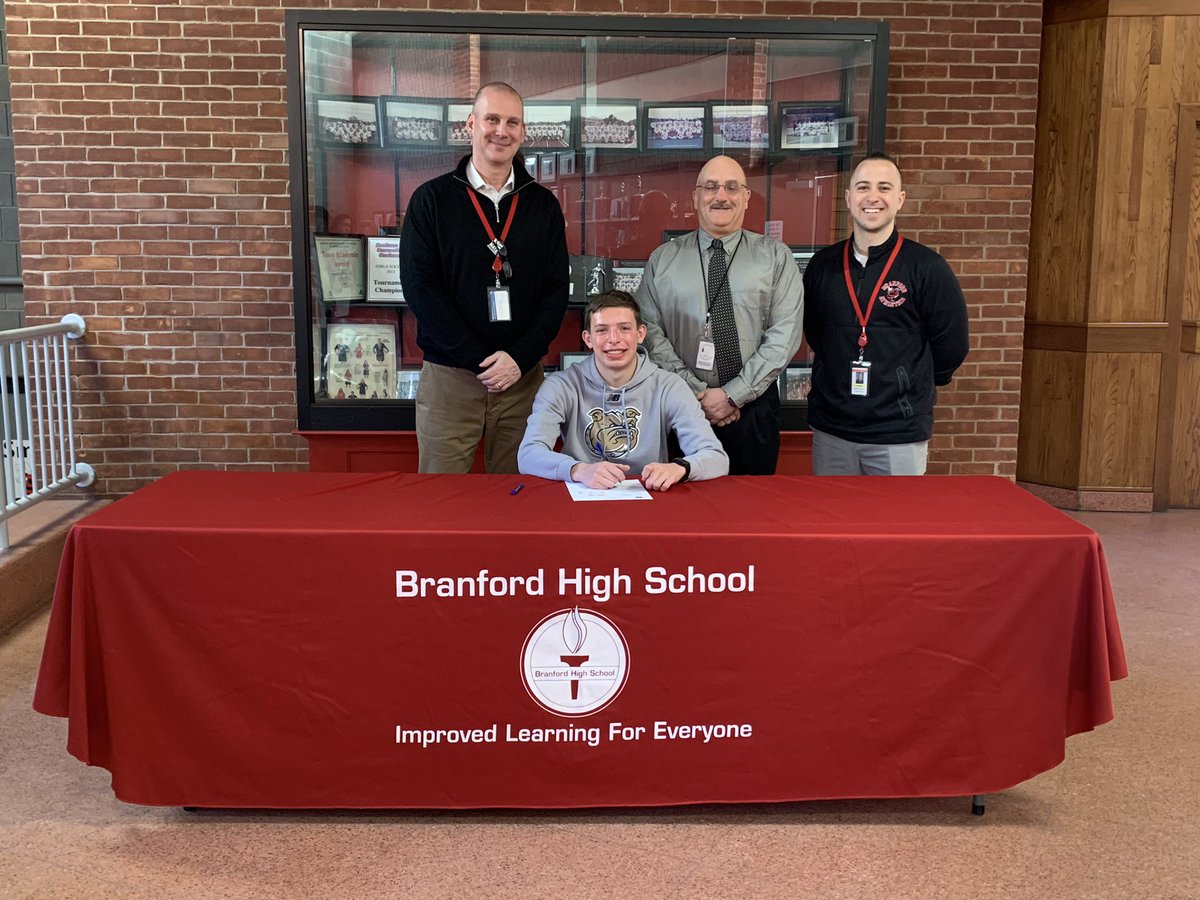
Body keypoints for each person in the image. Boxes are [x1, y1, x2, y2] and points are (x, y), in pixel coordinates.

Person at [399, 82, 569, 473]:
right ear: (471, 124)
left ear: (523, 131)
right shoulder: (431, 200)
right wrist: (479, 360)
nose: (501, 131)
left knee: (519, 495)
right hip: (451, 379)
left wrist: (519, 358)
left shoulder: (543, 205)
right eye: (492, 119)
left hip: (522, 382)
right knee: (441, 495)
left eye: (512, 122)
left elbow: (556, 291)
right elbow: (421, 289)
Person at [802, 152, 970, 475]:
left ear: (900, 199)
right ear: (848, 198)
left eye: (884, 187)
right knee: (832, 510)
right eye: (863, 187)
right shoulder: (822, 266)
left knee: (898, 511)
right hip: (833, 430)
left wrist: (909, 387)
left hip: (898, 432)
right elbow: (815, 332)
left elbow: (952, 345)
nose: (873, 197)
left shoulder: (927, 268)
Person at [636, 155, 803, 475]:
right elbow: (650, 333)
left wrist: (733, 395)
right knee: (682, 499)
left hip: (754, 410)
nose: (721, 196)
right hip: (680, 407)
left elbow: (784, 335)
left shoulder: (776, 258)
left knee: (751, 499)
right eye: (711, 187)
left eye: (731, 187)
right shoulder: (663, 260)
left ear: (746, 197)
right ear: (695, 197)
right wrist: (696, 393)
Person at [518, 291, 728, 491]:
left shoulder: (669, 386)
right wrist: (578, 470)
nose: (614, 339)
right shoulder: (560, 386)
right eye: (602, 330)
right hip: (583, 493)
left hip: (650, 495)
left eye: (624, 328)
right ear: (588, 339)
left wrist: (679, 468)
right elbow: (528, 454)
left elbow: (716, 457)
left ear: (640, 334)